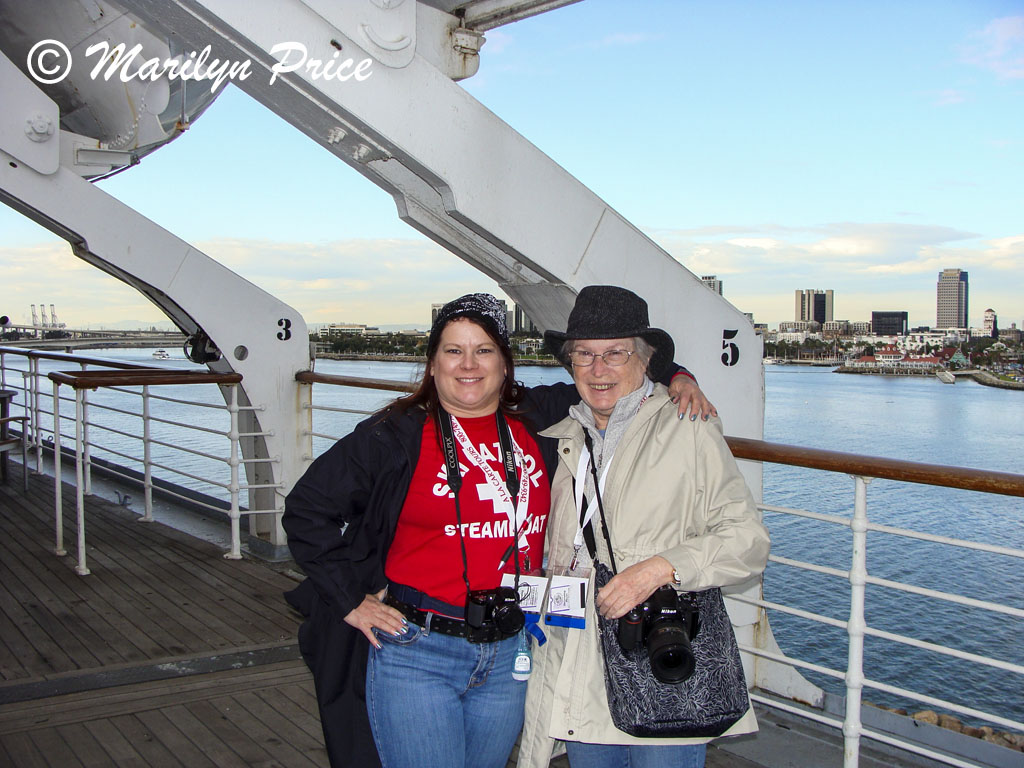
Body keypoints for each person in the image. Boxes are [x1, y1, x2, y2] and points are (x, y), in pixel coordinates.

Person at [283, 292, 715, 768]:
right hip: (418, 651)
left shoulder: (536, 417)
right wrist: (349, 600)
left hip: (510, 652)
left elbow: (613, 374)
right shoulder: (396, 434)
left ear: (506, 366)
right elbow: (306, 510)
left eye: (484, 350)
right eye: (453, 351)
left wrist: (679, 378)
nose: (468, 365)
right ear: (432, 365)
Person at [517, 285, 771, 768]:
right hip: (580, 662)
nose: (598, 369)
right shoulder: (564, 435)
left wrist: (659, 569)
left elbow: (747, 541)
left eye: (616, 353)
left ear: (646, 361)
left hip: (658, 659)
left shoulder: (688, 426)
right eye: (585, 356)